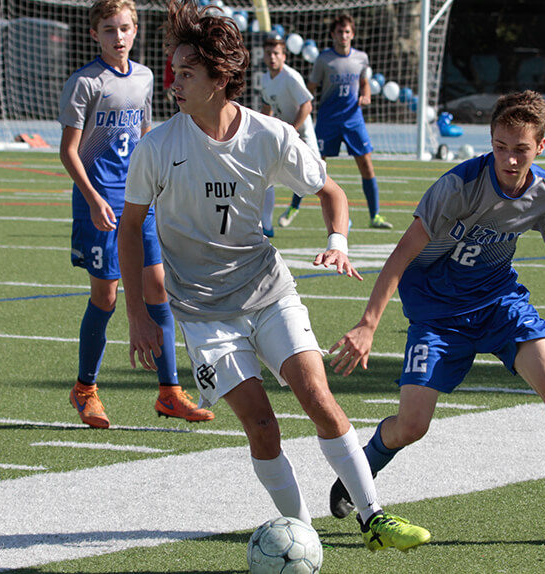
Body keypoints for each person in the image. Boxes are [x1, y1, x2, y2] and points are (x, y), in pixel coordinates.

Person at [119, 0, 431, 553]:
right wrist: (139, 316)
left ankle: (374, 516)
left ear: (220, 80)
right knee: (261, 424)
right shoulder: (158, 146)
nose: (173, 81)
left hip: (268, 292)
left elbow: (331, 193)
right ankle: (301, 533)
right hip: (203, 314)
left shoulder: (269, 136)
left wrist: (337, 242)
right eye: (173, 70)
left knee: (316, 394)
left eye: (186, 72)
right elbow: (129, 227)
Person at [327, 90, 545, 527]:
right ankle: (357, 472)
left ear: (541, 147)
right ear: (490, 139)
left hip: (499, 305)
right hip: (438, 314)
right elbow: (402, 253)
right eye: (500, 147)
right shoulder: (458, 186)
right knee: (412, 425)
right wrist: (368, 324)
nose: (510, 160)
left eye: (521, 150)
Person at [58, 0, 214, 429]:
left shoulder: (145, 76)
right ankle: (85, 389)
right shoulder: (86, 82)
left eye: (125, 28)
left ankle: (170, 392)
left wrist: (161, 185)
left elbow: (144, 135)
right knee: (105, 296)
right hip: (100, 202)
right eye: (109, 29)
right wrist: (91, 198)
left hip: (139, 198)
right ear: (95, 34)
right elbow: (69, 151)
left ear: (136, 30)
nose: (119, 37)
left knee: (158, 290)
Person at [279, 14, 392, 230]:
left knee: (366, 165)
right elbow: (309, 88)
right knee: (312, 165)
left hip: (353, 120)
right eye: (339, 32)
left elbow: (364, 82)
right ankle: (293, 207)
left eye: (347, 32)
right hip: (328, 120)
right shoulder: (324, 59)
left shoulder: (361, 58)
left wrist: (366, 95)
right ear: (333, 34)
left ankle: (375, 216)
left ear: (353, 34)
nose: (343, 36)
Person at [259, 33, 321, 238]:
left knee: (316, 181)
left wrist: (293, 129)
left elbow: (307, 105)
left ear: (284, 56)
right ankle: (266, 226)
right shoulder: (266, 78)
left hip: (301, 135)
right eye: (268, 53)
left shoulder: (291, 77)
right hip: (282, 135)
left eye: (276, 53)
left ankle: (342, 220)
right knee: (265, 174)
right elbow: (267, 106)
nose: (272, 57)